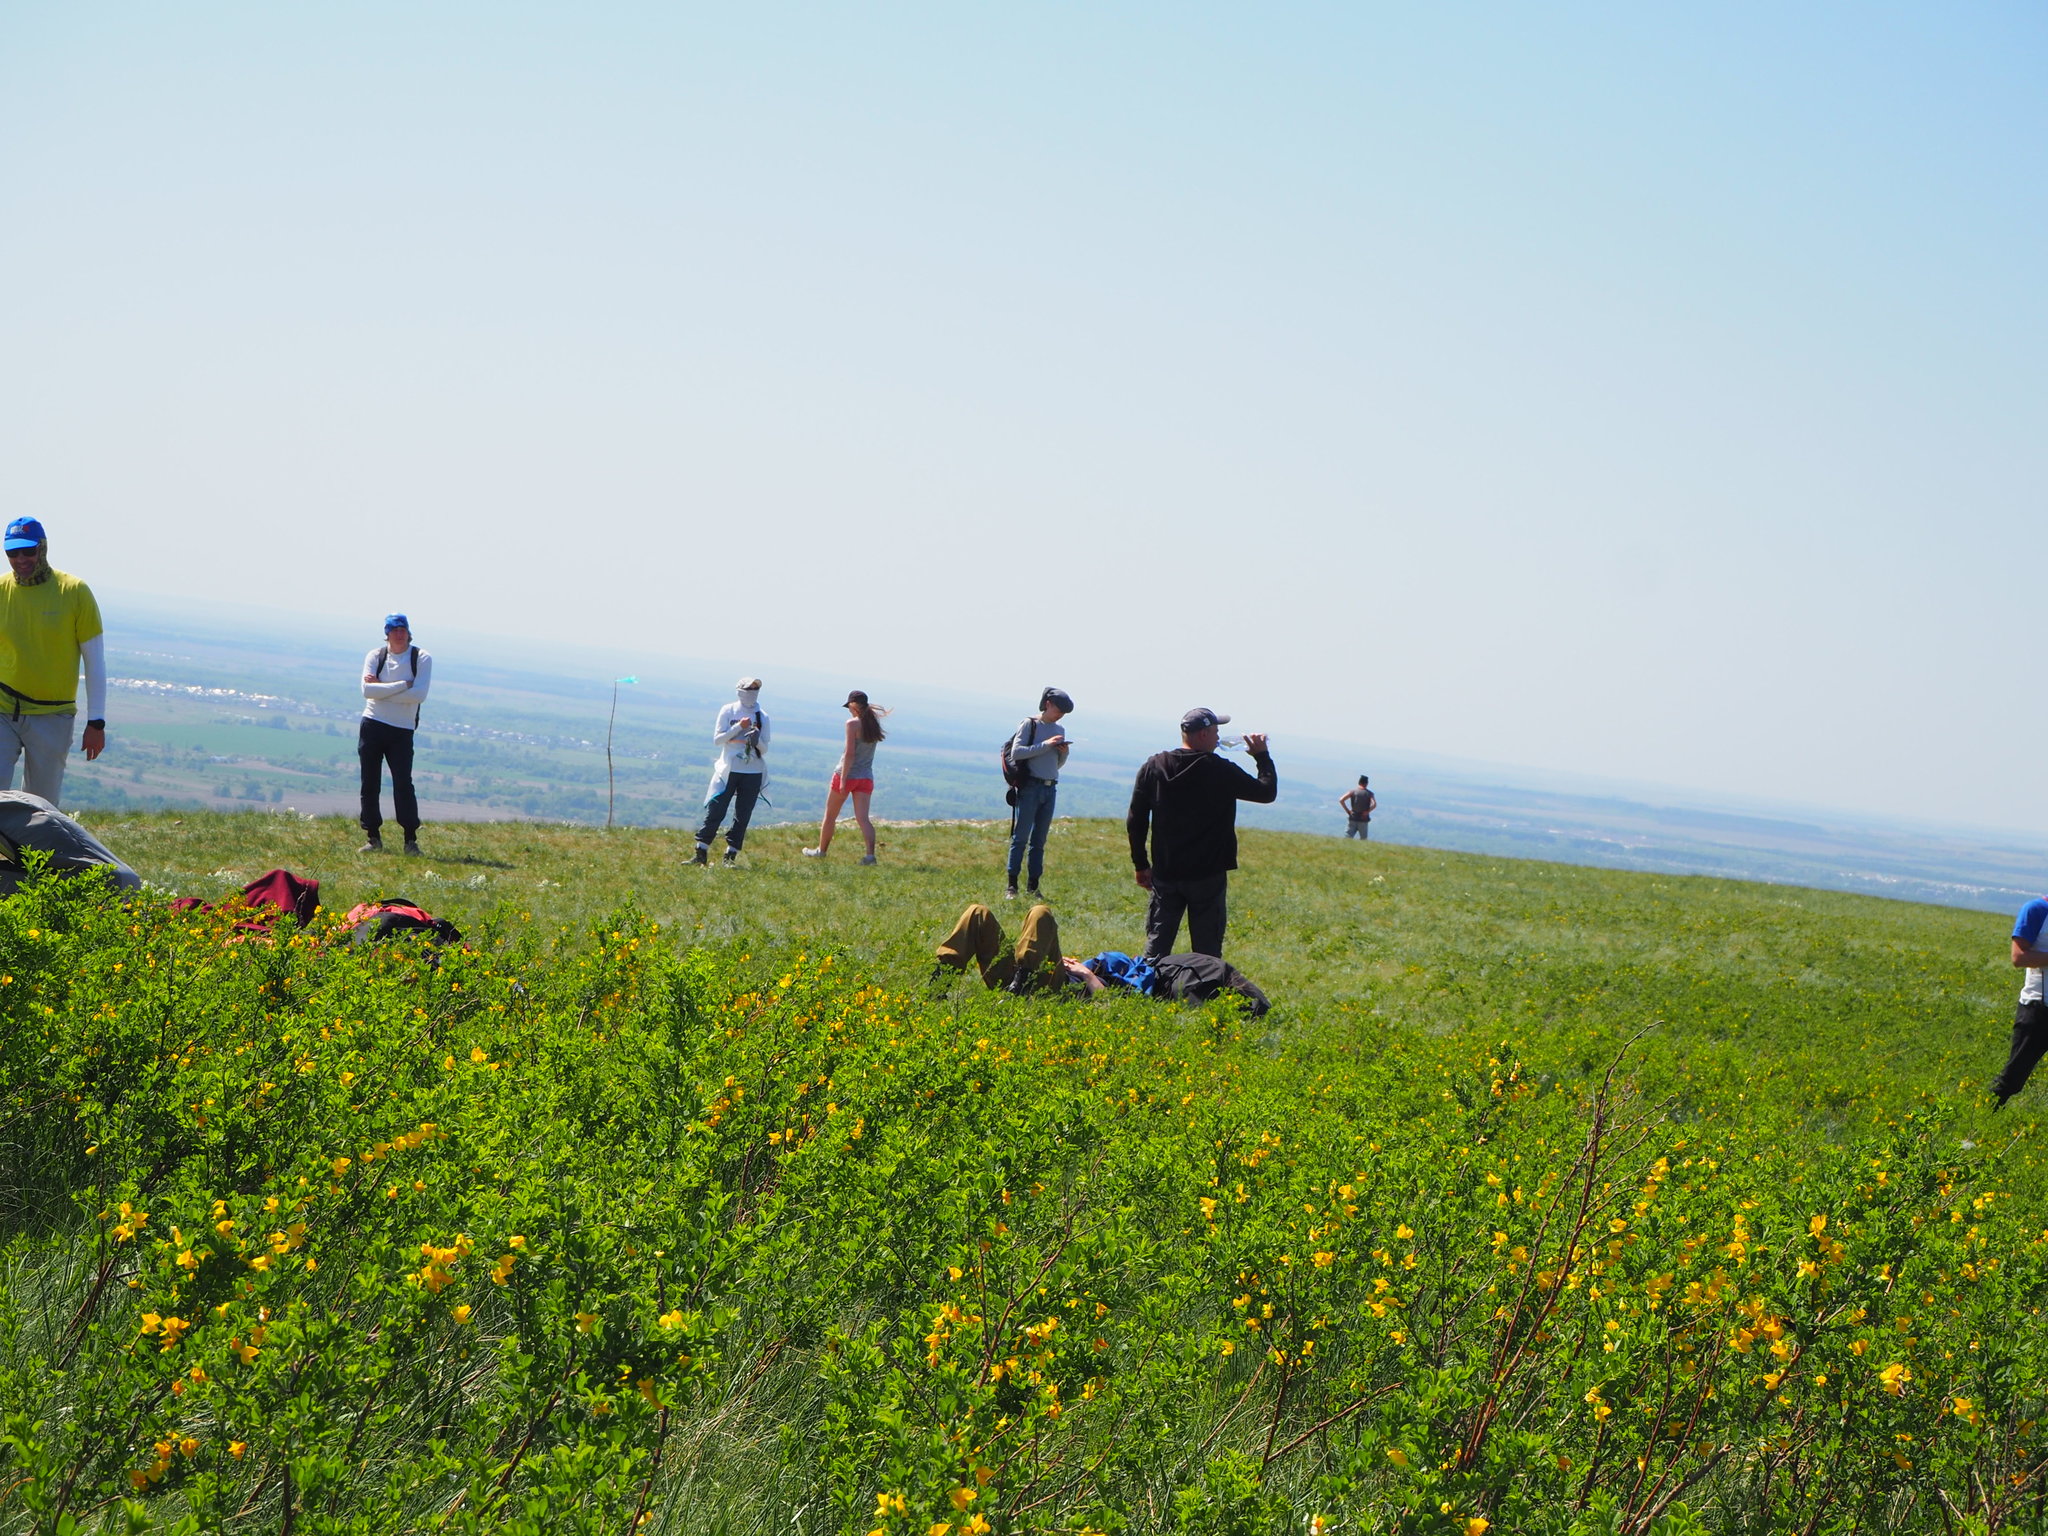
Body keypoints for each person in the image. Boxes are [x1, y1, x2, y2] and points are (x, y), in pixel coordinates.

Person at [932, 901, 1269, 1015]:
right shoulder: (1142, 966)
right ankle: (940, 985)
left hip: (1060, 989)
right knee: (978, 913)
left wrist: (1088, 975)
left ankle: (1022, 982)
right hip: (1039, 975)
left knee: (1041, 913)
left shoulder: (1146, 988)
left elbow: (1115, 1009)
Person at [1126, 708, 1276, 959]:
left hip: (1166, 870)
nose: (1218, 738)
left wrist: (1141, 864)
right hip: (1208, 874)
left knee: (1158, 943)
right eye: (1216, 732)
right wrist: (1262, 757)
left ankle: (1147, 986)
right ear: (1204, 733)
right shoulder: (1220, 770)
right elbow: (1265, 792)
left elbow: (1136, 819)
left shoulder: (1155, 765)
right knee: (1207, 949)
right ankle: (1204, 990)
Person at [0, 518, 106, 807]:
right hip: (3, 709)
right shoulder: (1, 590)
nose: (20, 560)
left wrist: (96, 722)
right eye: (12, 553)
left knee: (41, 808)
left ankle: (31, 854)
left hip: (52, 716)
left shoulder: (74, 592)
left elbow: (94, 659)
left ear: (42, 549)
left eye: (28, 551)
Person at [358, 614, 432, 855]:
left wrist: (382, 688)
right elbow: (367, 691)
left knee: (403, 784)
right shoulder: (375, 656)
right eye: (395, 629)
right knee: (370, 782)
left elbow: (419, 695)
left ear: (408, 632)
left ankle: (410, 840)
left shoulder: (420, 658)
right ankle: (373, 837)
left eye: (403, 629)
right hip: (373, 724)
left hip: (402, 730)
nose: (400, 633)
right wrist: (403, 684)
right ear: (387, 632)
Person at [1005, 687, 1074, 900]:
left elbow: (1056, 764)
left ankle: (1033, 886)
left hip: (1050, 787)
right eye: (1058, 709)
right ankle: (1012, 886)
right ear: (1047, 704)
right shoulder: (1029, 724)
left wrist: (1063, 753)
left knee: (1039, 840)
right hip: (1031, 787)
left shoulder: (1060, 729)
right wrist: (1046, 744)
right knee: (1021, 838)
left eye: (1064, 711)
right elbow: (1017, 753)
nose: (1060, 714)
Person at [694, 678, 769, 867]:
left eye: (755, 689)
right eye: (748, 689)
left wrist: (756, 740)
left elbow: (765, 748)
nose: (752, 692)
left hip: (753, 771)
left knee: (743, 815)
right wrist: (738, 728)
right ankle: (701, 851)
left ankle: (730, 856)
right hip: (728, 769)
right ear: (739, 691)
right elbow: (718, 739)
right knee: (716, 809)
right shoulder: (728, 710)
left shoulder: (763, 716)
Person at [805, 690, 886, 863]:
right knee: (863, 819)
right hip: (866, 777)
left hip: (847, 774)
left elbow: (849, 754)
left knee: (830, 815)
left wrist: (843, 780)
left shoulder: (852, 724)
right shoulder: (873, 724)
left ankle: (821, 851)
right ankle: (870, 855)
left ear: (853, 705)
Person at [1992, 895, 2048, 1107]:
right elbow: (2019, 958)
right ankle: (1980, 1120)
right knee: (2012, 1079)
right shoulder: (2037, 910)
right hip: (2038, 1008)